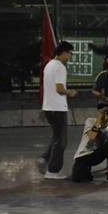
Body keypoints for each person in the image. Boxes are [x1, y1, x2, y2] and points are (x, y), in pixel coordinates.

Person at [39, 41, 77, 180]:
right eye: (70, 53)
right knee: (61, 140)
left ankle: (44, 158)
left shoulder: (49, 65)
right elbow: (59, 89)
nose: (70, 56)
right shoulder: (60, 67)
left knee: (56, 136)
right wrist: (70, 92)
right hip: (57, 108)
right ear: (64, 52)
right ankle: (53, 171)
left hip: (48, 107)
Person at [71, 103, 108, 183]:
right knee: (78, 178)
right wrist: (99, 119)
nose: (106, 114)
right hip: (84, 155)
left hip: (97, 154)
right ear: (98, 112)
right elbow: (91, 137)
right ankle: (86, 169)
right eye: (104, 112)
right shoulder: (90, 121)